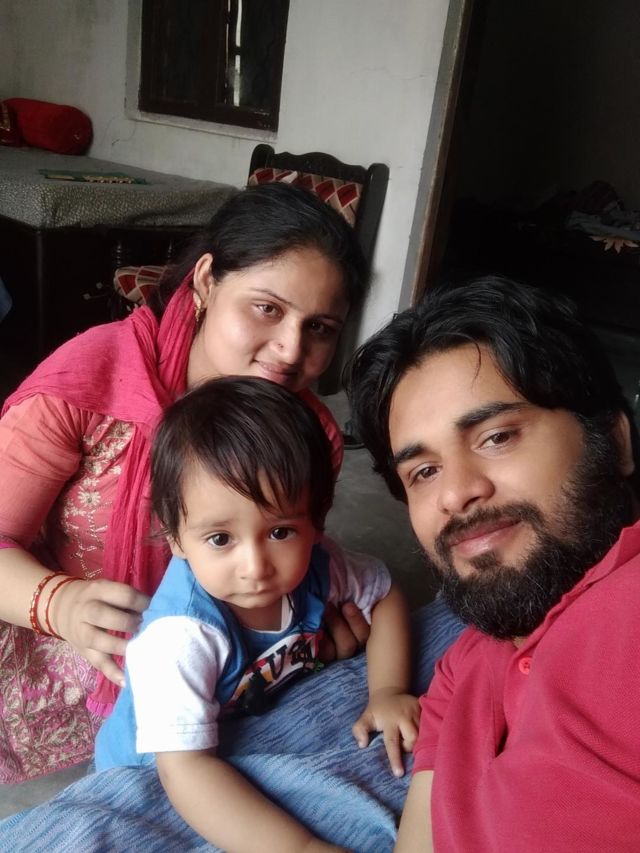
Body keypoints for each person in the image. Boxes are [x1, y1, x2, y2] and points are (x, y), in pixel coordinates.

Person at [0, 182, 374, 784]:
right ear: (205, 281)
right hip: (68, 641)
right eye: (267, 308)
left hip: (212, 666)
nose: (289, 349)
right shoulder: (90, 382)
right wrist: (59, 603)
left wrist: (303, 637)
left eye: (320, 328)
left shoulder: (308, 432)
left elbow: (272, 569)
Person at [346, 275, 640, 852]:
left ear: (616, 441)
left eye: (497, 437)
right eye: (423, 472)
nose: (456, 493)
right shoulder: (464, 667)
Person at [96, 376, 419, 852]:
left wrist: (388, 690)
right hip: (152, 771)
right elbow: (185, 770)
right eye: (220, 539)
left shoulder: (320, 564)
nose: (255, 566)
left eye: (280, 531)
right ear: (175, 537)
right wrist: (300, 848)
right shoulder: (180, 637)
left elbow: (385, 593)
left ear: (316, 520)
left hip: (246, 725)